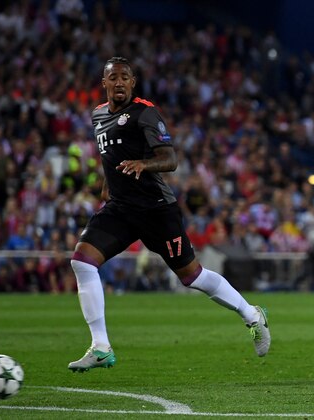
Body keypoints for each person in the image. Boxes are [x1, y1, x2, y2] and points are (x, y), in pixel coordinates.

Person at [67, 57, 270, 372]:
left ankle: (252, 314)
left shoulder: (145, 112)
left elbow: (169, 158)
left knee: (192, 276)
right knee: (82, 261)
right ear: (104, 83)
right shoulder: (98, 116)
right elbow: (112, 155)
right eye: (113, 77)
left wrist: (142, 164)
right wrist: (109, 183)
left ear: (132, 83)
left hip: (156, 209)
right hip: (121, 208)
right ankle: (101, 346)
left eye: (124, 77)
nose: (119, 82)